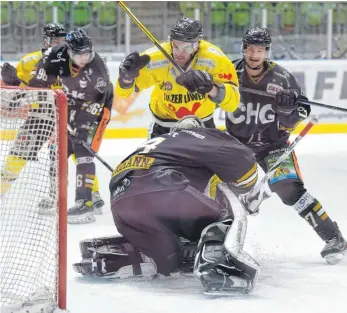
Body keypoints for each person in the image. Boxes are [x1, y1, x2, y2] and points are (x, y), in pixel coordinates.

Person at [72, 116, 260, 295]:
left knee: (170, 262)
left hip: (121, 203)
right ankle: (220, 268)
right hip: (163, 187)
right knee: (221, 218)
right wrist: (247, 188)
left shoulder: (157, 144)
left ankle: (122, 258)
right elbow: (242, 160)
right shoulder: (196, 137)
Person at [227, 26, 346, 264]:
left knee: (287, 187)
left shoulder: (282, 78)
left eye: (260, 51)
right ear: (243, 49)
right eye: (250, 50)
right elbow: (212, 98)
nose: (254, 55)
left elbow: (297, 117)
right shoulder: (229, 72)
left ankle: (334, 238)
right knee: (219, 188)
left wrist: (287, 110)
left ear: (267, 52)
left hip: (273, 145)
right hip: (237, 144)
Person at [29, 28, 113, 224]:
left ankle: (85, 202)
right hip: (68, 105)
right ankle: (57, 197)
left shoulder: (97, 68)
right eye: (79, 54)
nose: (84, 58)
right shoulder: (55, 57)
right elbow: (38, 83)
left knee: (83, 151)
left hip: (96, 109)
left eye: (88, 53)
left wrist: (80, 128)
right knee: (57, 153)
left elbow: (99, 102)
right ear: (68, 51)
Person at [114, 17, 240, 138]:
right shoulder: (156, 57)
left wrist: (212, 89)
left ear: (197, 44)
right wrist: (126, 80)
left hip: (202, 124)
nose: (180, 53)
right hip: (164, 126)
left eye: (187, 47)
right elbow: (123, 94)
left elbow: (233, 103)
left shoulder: (214, 59)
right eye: (176, 46)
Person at [0, 23, 67, 198]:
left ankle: (80, 196)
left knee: (63, 158)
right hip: (40, 116)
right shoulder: (29, 61)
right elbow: (17, 98)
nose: (59, 44)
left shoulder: (73, 61)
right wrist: (13, 84)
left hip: (67, 116)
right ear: (46, 41)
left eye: (62, 40)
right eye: (55, 40)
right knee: (18, 153)